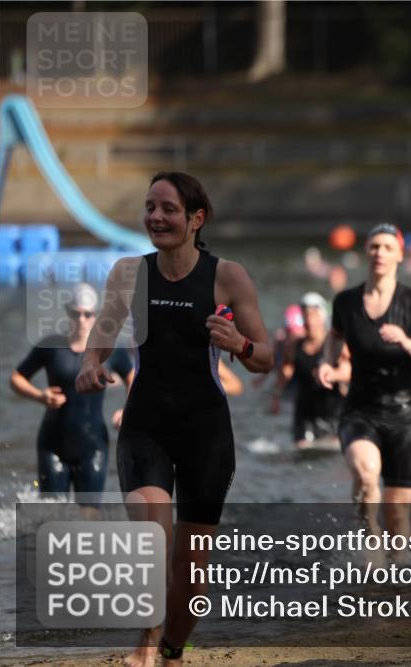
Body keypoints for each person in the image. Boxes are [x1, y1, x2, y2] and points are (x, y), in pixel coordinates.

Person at [76, 172, 273, 667]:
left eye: (167, 209)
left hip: (206, 434)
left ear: (195, 219)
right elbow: (102, 334)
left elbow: (266, 357)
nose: (155, 218)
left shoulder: (227, 276)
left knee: (190, 570)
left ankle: (172, 650)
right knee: (150, 544)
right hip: (145, 428)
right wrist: (90, 364)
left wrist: (240, 346)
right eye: (149, 207)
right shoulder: (128, 273)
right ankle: (147, 635)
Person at [319, 223, 411, 554]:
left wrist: (406, 341)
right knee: (367, 471)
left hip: (404, 417)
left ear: (400, 254)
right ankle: (369, 542)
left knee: (398, 517)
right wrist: (326, 364)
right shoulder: (345, 301)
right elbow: (334, 337)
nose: (380, 253)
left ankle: (398, 576)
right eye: (374, 246)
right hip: (360, 411)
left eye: (387, 247)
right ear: (366, 252)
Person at [10, 282, 134, 513]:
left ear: (95, 316)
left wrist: (128, 409)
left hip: (93, 445)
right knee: (50, 516)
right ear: (68, 313)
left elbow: (133, 378)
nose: (82, 320)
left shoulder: (108, 350)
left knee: (89, 516)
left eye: (88, 315)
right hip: (52, 444)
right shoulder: (51, 347)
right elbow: (16, 378)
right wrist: (40, 396)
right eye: (76, 314)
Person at [283, 292, 347, 450]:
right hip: (304, 410)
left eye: (313, 316)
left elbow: (349, 370)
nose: (310, 321)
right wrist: (278, 395)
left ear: (323, 317)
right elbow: (287, 366)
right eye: (306, 316)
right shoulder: (294, 344)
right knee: (302, 448)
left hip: (331, 408)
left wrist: (333, 375)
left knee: (332, 449)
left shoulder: (334, 344)